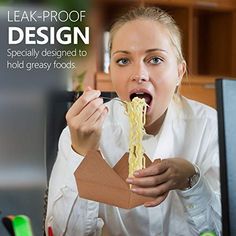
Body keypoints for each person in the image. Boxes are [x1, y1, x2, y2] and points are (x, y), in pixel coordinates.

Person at [45, 7, 221, 236]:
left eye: (155, 59)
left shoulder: (211, 128)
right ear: (110, 72)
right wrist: (83, 155)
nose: (139, 74)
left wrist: (192, 179)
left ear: (179, 72)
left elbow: (223, 228)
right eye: (123, 60)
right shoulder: (80, 132)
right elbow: (59, 233)